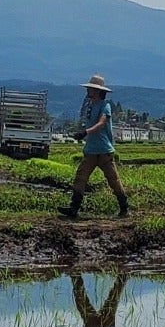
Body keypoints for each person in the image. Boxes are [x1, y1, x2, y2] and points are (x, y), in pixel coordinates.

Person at [64, 73, 130, 218]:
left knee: (113, 180)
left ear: (99, 92)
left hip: (104, 151)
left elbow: (101, 123)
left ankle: (124, 207)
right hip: (91, 151)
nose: (88, 91)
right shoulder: (90, 106)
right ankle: (73, 208)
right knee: (80, 177)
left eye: (91, 89)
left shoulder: (105, 106)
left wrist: (85, 132)